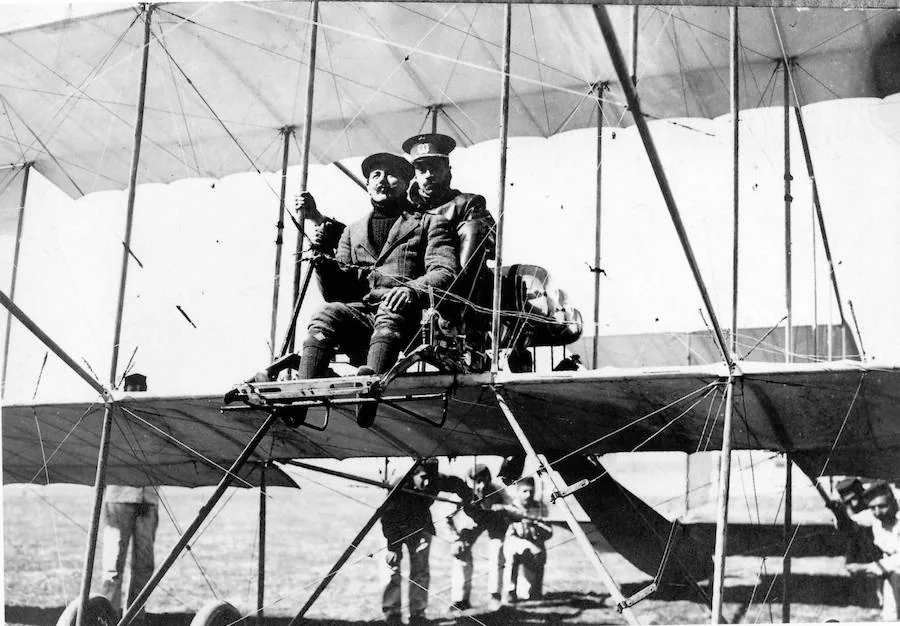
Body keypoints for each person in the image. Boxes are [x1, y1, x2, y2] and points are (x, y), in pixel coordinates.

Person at [289, 152, 458, 428]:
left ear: (406, 183)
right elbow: (337, 293)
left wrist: (413, 290)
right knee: (325, 314)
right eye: (375, 175)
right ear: (368, 185)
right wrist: (323, 265)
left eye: (392, 174)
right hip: (363, 316)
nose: (382, 180)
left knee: (390, 310)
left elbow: (445, 271)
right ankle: (300, 400)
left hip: (407, 316)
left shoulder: (429, 223)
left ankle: (368, 393)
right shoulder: (352, 232)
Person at [402, 134, 497, 354]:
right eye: (421, 169)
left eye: (434, 167)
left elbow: (486, 245)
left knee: (474, 229)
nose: (428, 175)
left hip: (457, 285)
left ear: (448, 170)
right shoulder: (405, 209)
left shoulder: (468, 203)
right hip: (415, 283)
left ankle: (452, 313)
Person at [380, 458, 471, 626]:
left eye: (431, 477)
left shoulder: (434, 479)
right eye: (423, 477)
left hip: (420, 526)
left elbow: (456, 483)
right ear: (413, 474)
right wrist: (393, 547)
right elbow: (388, 516)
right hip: (395, 528)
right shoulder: (399, 484)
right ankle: (392, 612)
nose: (428, 482)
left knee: (420, 570)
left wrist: (469, 497)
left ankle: (417, 614)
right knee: (392, 568)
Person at [99, 373, 158, 621]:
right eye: (132, 388)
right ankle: (107, 617)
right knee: (113, 565)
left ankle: (135, 617)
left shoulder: (154, 419)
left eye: (140, 389)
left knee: (144, 565)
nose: (137, 392)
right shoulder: (112, 416)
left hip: (147, 500)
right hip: (119, 498)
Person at [449, 464, 515, 610]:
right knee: (461, 553)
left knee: (497, 552)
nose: (482, 485)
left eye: (485, 480)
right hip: (472, 522)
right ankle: (460, 600)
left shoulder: (497, 489)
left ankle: (495, 596)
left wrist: (503, 508)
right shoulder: (462, 492)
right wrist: (455, 538)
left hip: (495, 521)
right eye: (477, 481)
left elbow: (514, 507)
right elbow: (445, 515)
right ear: (468, 481)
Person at [845, 480, 900, 620]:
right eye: (873, 507)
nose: (877, 512)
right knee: (891, 617)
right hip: (893, 575)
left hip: (895, 568)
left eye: (882, 506)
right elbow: (850, 523)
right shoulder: (875, 514)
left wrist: (865, 568)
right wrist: (839, 513)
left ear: (893, 502)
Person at [502, 477, 553, 603]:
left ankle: (534, 591)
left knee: (539, 554)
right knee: (511, 557)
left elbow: (549, 532)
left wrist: (536, 524)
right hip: (515, 542)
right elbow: (507, 532)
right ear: (518, 492)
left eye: (531, 491)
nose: (528, 495)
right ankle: (510, 591)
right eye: (524, 491)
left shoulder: (540, 507)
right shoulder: (511, 506)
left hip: (534, 545)